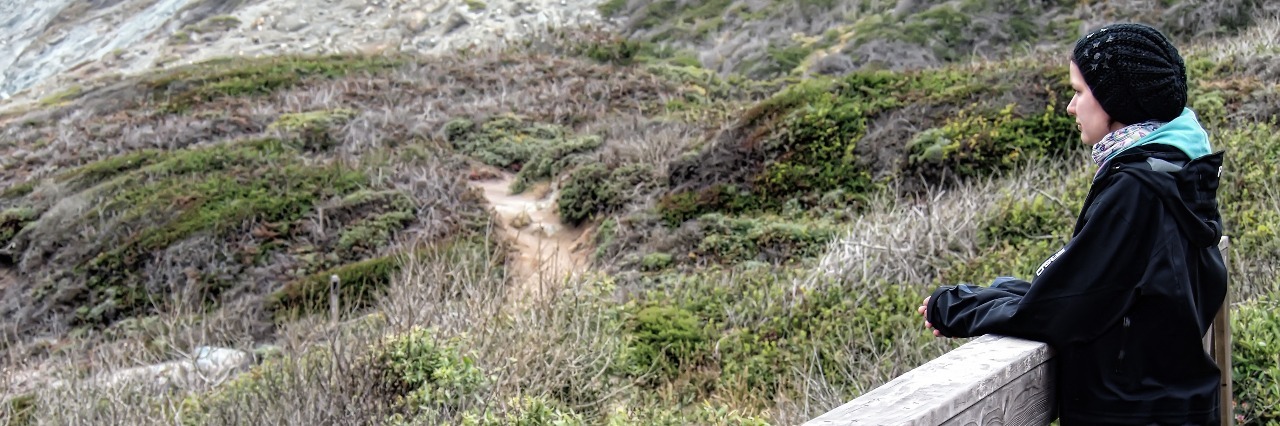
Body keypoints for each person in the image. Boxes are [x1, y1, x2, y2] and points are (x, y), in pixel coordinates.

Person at [917, 23, 1228, 425]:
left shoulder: (1137, 189)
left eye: (1079, 91)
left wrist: (956, 308)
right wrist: (988, 296)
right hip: (1174, 407)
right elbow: (1098, 289)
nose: (1070, 105)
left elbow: (1063, 310)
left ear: (1115, 100)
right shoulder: (1177, 170)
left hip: (1135, 415)